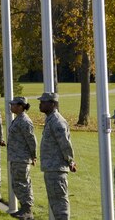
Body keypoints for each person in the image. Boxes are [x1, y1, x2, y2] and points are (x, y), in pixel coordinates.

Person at [38, 92, 76, 220]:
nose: (40, 104)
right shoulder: (51, 120)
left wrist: (70, 161)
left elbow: (65, 144)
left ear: (53, 104)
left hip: (57, 168)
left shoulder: (57, 121)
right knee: (55, 201)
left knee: (60, 201)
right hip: (51, 168)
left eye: (43, 102)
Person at [7, 96, 37, 220]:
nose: (11, 106)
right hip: (16, 157)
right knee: (17, 183)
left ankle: (27, 210)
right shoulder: (18, 119)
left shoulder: (25, 121)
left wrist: (34, 155)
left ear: (20, 106)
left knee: (23, 183)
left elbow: (31, 140)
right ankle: (23, 208)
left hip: (22, 158)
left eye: (13, 104)